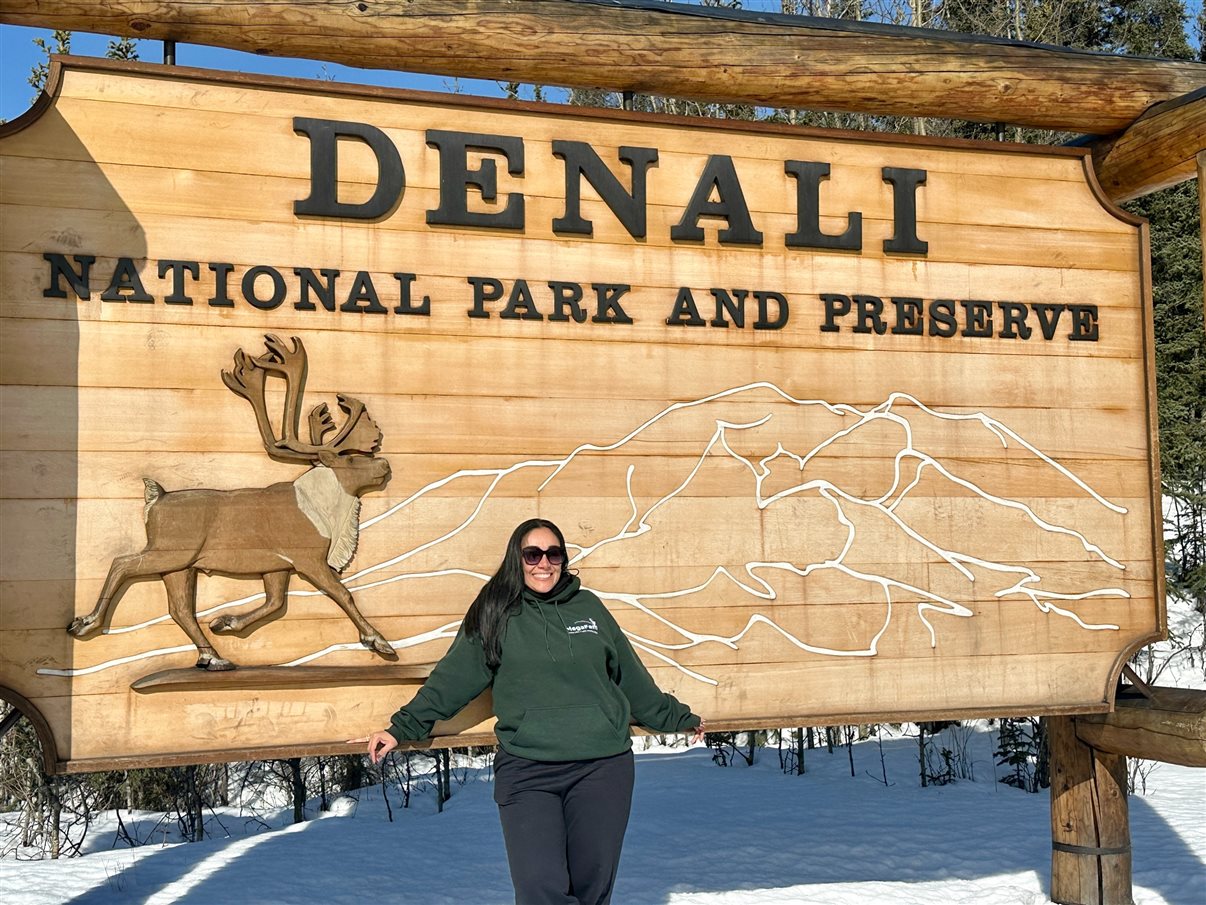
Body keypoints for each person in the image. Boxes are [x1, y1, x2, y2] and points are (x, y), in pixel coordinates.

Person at [358, 517, 705, 905]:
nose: (544, 563)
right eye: (533, 554)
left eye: (553, 553)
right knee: (539, 889)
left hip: (602, 769)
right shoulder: (496, 612)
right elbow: (453, 678)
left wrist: (677, 717)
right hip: (529, 770)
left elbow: (630, 677)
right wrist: (402, 726)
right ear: (516, 559)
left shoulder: (588, 608)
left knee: (592, 890)